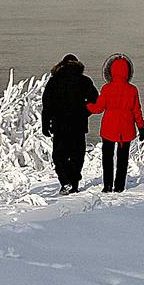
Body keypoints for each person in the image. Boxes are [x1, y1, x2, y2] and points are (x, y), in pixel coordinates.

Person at [41, 54, 99, 194]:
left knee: (59, 156)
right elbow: (95, 101)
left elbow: (47, 104)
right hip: (78, 125)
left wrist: (45, 123)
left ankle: (65, 181)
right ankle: (73, 183)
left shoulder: (54, 81)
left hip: (59, 125)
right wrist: (84, 112)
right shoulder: (84, 80)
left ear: (62, 65)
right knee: (77, 155)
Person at [87, 54, 144, 193]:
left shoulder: (107, 89)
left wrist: (87, 105)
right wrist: (141, 127)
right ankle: (119, 186)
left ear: (111, 71)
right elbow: (137, 110)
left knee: (107, 158)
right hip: (126, 129)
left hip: (109, 128)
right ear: (128, 72)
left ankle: (107, 186)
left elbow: (98, 108)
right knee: (122, 159)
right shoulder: (132, 90)